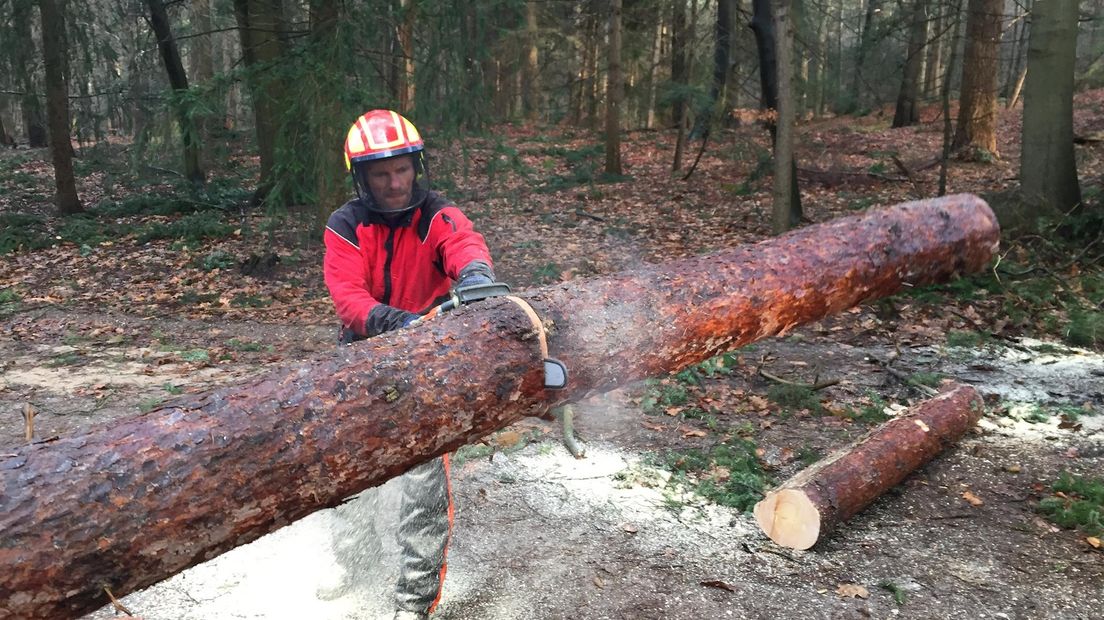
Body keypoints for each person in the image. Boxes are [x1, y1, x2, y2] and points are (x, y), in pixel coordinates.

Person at [321, 109, 497, 620]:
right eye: (381, 173)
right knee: (349, 471)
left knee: (422, 488)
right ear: (363, 177)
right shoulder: (346, 225)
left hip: (429, 361)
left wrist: (477, 276)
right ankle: (352, 563)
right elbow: (348, 297)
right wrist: (398, 323)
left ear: (416, 166)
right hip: (363, 354)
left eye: (402, 169)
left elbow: (463, 242)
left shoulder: (437, 215)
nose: (395, 183)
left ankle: (412, 602)